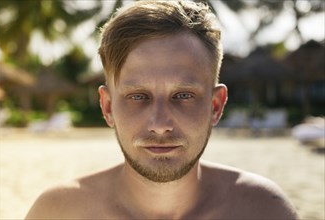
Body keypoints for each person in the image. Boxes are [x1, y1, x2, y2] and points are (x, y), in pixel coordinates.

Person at [25, 1, 298, 219]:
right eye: (138, 96)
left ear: (216, 105)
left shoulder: (263, 210)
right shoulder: (58, 212)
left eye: (183, 95)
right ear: (108, 107)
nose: (160, 124)